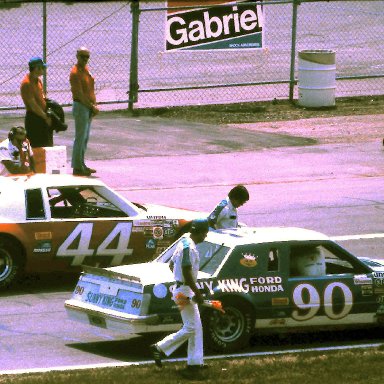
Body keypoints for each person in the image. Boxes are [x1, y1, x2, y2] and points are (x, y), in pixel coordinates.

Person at [150, 218, 209, 379]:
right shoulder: (188, 247)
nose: (206, 236)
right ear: (200, 232)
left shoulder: (183, 242)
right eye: (205, 233)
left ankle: (195, 362)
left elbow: (171, 265)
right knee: (191, 327)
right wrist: (197, 293)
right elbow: (187, 270)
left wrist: (179, 279)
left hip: (182, 287)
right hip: (184, 291)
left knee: (196, 326)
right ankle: (160, 347)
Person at [69, 46, 99, 176]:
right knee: (80, 137)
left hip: (88, 106)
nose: (85, 59)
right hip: (81, 106)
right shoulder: (75, 72)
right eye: (82, 56)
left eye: (87, 57)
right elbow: (80, 94)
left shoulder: (85, 70)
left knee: (85, 137)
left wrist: (94, 104)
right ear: (77, 56)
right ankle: (77, 166)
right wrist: (92, 107)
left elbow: (90, 89)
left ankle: (81, 164)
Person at [20, 56, 53, 148]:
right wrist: (45, 117)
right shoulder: (27, 83)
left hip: (42, 116)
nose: (43, 70)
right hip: (34, 118)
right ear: (36, 68)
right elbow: (33, 105)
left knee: (45, 144)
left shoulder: (38, 81)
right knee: (36, 146)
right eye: (41, 68)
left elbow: (42, 98)